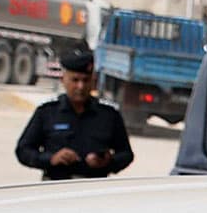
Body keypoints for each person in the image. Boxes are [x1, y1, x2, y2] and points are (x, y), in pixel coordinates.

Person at [13, 48, 133, 181]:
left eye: (86, 80)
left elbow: (126, 154)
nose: (80, 86)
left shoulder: (109, 115)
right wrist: (51, 159)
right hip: (56, 187)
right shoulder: (47, 112)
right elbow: (23, 150)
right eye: (75, 80)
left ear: (93, 82)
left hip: (93, 189)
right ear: (63, 80)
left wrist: (108, 162)